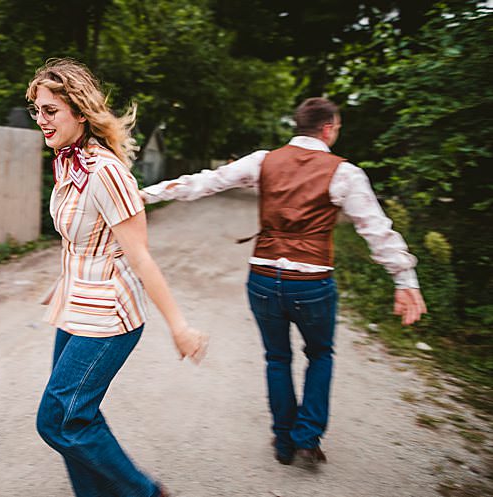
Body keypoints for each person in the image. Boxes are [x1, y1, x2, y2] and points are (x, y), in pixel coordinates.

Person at [139, 97, 426, 467]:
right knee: (320, 355)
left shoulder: (264, 161)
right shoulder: (344, 173)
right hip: (312, 281)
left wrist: (145, 194)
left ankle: (283, 441)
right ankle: (307, 438)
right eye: (337, 127)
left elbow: (205, 183)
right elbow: (376, 229)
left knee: (277, 358)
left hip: (262, 277)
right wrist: (404, 279)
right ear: (328, 128)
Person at [27, 58, 208, 497]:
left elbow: (141, 257)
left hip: (108, 316)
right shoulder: (67, 162)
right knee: (78, 418)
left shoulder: (105, 172)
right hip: (76, 305)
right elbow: (81, 238)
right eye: (36, 110)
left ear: (79, 111)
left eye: (50, 110)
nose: (41, 120)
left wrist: (179, 325)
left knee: (56, 420)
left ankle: (147, 493)